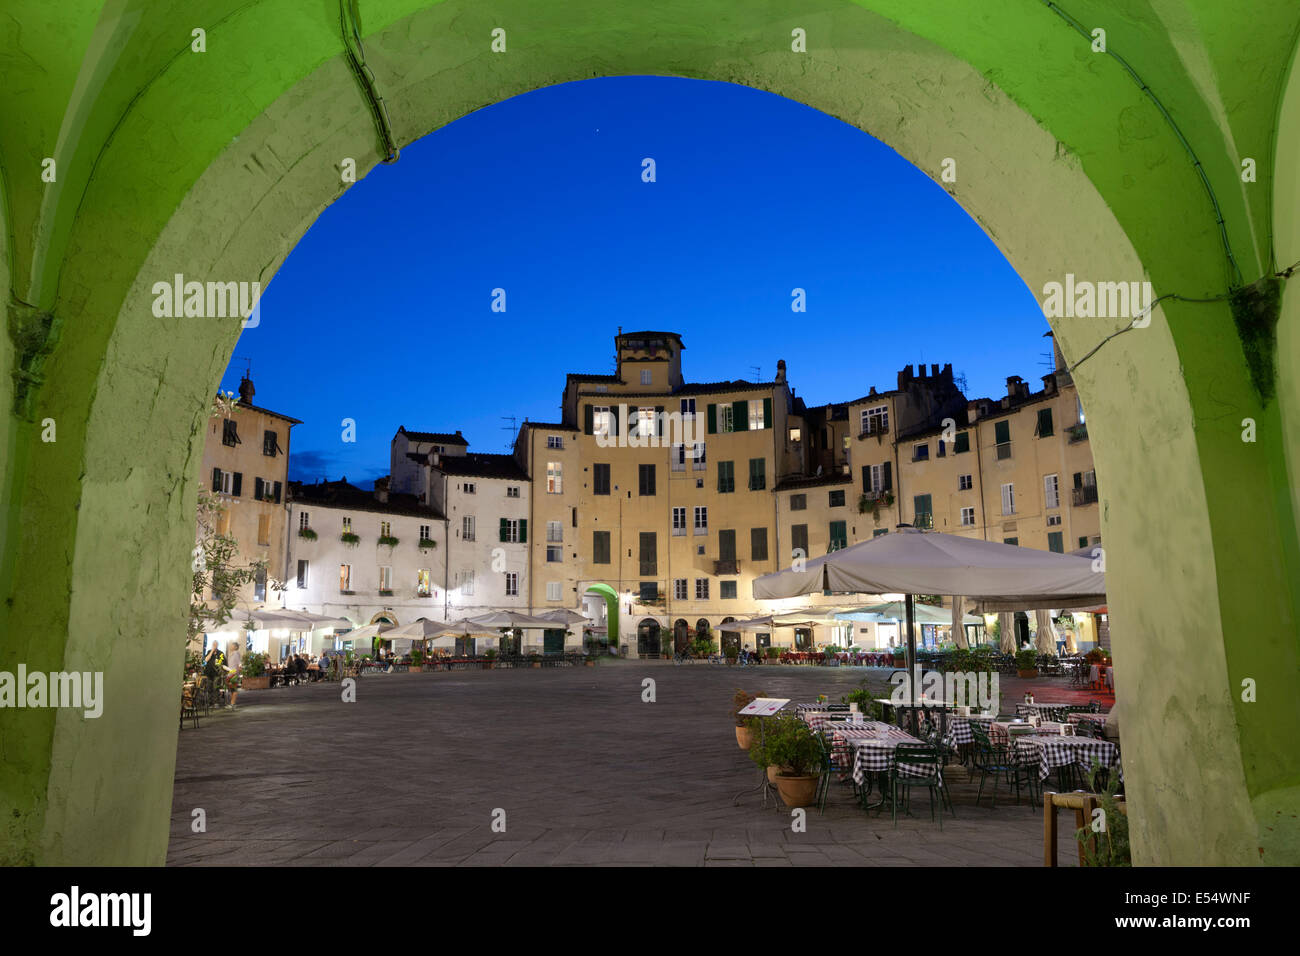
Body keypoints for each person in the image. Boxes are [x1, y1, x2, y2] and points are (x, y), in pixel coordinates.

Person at [225, 641, 242, 709]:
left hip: (234, 673)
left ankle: (232, 704)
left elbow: (239, 663)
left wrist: (238, 672)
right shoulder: (232, 654)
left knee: (234, 689)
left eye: (232, 645)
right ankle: (232, 703)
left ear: (235, 647)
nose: (230, 646)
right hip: (230, 673)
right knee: (232, 689)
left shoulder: (236, 653)